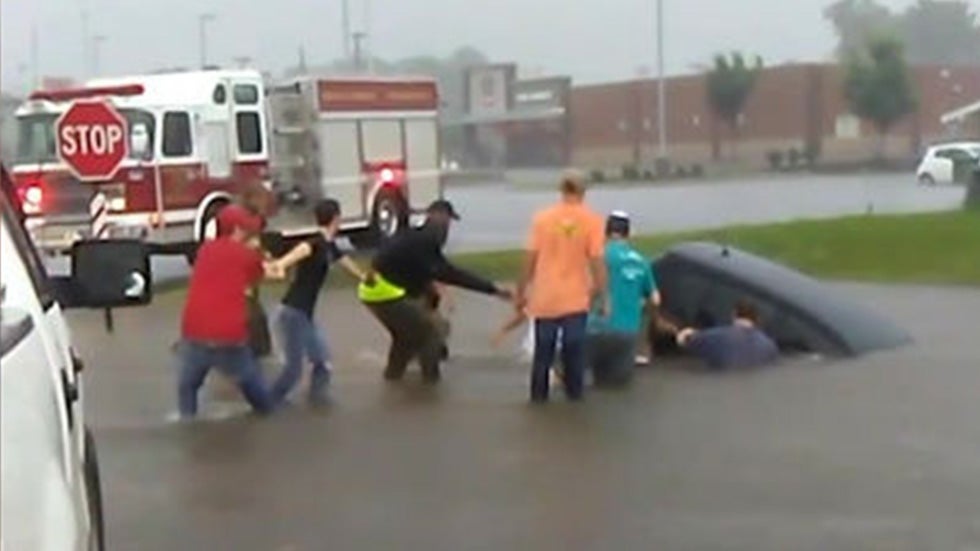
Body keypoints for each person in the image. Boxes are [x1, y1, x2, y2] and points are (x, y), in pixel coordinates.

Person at [359, 199, 512, 383]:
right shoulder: (426, 240)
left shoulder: (416, 237)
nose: (448, 227)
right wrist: (492, 289)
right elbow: (448, 273)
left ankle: (393, 378)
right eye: (447, 221)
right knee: (431, 334)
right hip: (386, 292)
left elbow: (422, 271)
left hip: (374, 291)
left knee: (406, 337)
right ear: (435, 217)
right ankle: (430, 383)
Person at [176, 205, 284, 419]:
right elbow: (263, 274)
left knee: (188, 386)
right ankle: (269, 415)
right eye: (245, 229)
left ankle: (187, 419)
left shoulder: (205, 250)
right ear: (236, 229)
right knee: (253, 387)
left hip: (194, 329)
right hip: (228, 333)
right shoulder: (246, 255)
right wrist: (265, 259)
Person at [517, 169, 606, 403]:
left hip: (545, 296)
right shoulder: (592, 220)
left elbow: (529, 258)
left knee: (543, 353)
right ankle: (574, 399)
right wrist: (603, 294)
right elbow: (597, 261)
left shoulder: (542, 218)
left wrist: (520, 292)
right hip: (576, 297)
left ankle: (538, 400)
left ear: (561, 189)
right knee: (574, 350)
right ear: (584, 191)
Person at [267, 199, 367, 405]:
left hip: (304, 314)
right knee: (294, 370)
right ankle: (268, 402)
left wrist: (365, 277)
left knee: (322, 360)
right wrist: (281, 264)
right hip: (293, 313)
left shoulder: (329, 245)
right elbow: (302, 250)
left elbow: (344, 261)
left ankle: (317, 401)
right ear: (336, 219)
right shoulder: (316, 243)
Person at [586, 211, 660, 387]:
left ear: (606, 232)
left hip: (595, 329)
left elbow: (589, 289)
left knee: (569, 382)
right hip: (627, 333)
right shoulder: (641, 261)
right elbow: (655, 300)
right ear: (628, 233)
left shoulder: (598, 256)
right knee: (617, 388)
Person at [675, 299, 779, 370]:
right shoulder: (769, 345)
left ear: (734, 314)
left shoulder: (715, 336)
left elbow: (683, 341)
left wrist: (687, 332)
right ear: (757, 318)